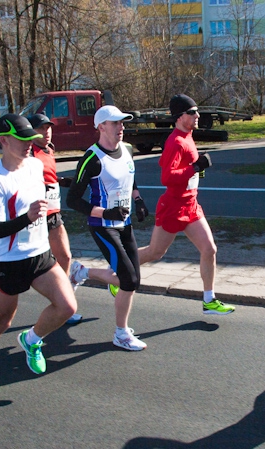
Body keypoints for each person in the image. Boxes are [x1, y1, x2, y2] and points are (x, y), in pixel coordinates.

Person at [0, 114, 77, 395]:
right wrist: (27, 218)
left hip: (40, 253)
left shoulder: (34, 165)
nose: (31, 142)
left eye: (32, 137)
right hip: (9, 261)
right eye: (23, 138)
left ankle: (32, 339)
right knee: (1, 322)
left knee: (67, 306)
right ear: (3, 141)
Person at [135, 94, 234, 315]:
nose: (197, 115)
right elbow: (167, 177)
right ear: (180, 117)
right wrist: (195, 168)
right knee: (154, 253)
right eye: (192, 112)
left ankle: (209, 300)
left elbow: (184, 169)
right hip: (173, 207)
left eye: (197, 111)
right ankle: (119, 273)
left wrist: (197, 170)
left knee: (209, 249)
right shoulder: (175, 142)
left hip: (190, 205)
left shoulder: (188, 136)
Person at [66, 105, 150, 351]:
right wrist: (106, 213)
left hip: (124, 224)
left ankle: (80, 272)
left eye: (122, 123)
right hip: (103, 226)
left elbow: (130, 175)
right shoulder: (92, 158)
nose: (121, 127)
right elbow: (72, 200)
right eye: (115, 123)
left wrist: (138, 200)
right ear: (101, 126)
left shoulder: (127, 150)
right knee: (129, 279)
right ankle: (121, 333)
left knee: (133, 279)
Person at [29, 113, 82, 325]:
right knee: (33, 267)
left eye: (48, 127)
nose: (47, 131)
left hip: (54, 214)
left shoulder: (49, 149)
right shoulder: (28, 153)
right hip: (36, 217)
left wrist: (60, 181)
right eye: (41, 128)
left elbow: (48, 176)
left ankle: (64, 304)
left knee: (65, 257)